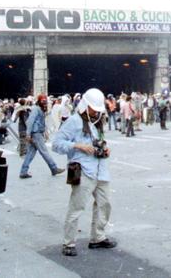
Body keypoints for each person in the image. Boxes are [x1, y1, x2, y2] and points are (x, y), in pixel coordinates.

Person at [52, 88, 116, 256]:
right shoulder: (74, 121)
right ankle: (69, 243)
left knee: (105, 204)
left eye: (98, 109)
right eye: (93, 108)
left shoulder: (99, 120)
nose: (96, 112)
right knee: (77, 207)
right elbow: (57, 143)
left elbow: (100, 142)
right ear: (85, 105)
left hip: (101, 169)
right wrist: (77, 146)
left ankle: (98, 237)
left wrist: (105, 150)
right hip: (83, 170)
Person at [19, 94, 65, 179]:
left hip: (36, 133)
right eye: (43, 101)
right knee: (44, 151)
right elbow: (30, 121)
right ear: (39, 101)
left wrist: (45, 132)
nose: (44, 103)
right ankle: (54, 168)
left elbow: (40, 122)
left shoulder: (39, 109)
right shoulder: (36, 109)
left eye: (45, 101)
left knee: (30, 153)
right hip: (36, 133)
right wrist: (28, 134)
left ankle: (23, 171)